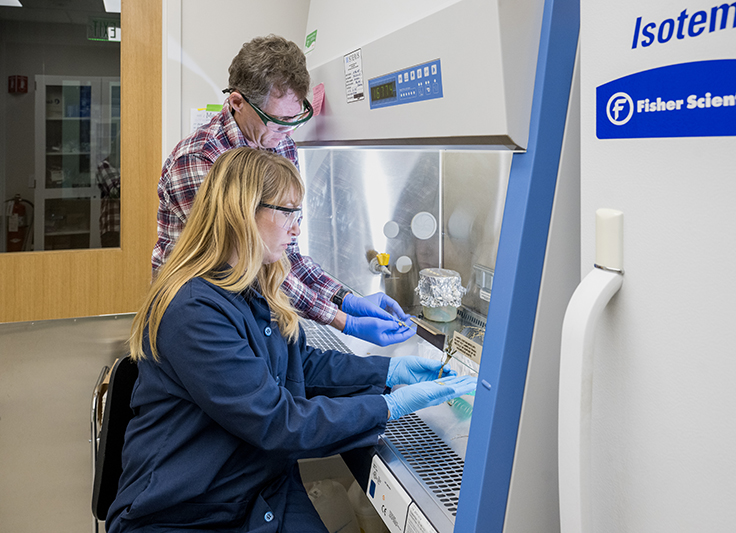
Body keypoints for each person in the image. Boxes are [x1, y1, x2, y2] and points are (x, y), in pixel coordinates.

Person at [107, 148, 476, 533]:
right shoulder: (192, 310)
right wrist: (387, 406)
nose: (297, 229)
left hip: (252, 486)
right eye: (288, 213)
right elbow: (277, 422)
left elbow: (299, 363)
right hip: (188, 509)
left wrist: (389, 370)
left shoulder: (248, 285)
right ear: (243, 211)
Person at [153, 34, 412, 347]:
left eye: (295, 118)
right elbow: (252, 263)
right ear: (237, 102)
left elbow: (286, 254)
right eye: (278, 121)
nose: (287, 133)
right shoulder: (199, 159)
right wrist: (341, 320)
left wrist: (344, 298)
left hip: (251, 309)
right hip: (199, 314)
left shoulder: (280, 144)